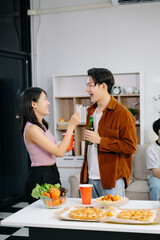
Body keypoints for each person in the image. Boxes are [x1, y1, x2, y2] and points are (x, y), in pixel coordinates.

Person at [80, 68, 137, 198]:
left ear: (103, 86)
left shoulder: (122, 114)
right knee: (91, 217)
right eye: (87, 85)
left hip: (112, 181)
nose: (87, 90)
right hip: (90, 178)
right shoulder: (90, 111)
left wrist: (101, 141)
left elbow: (130, 146)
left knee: (112, 217)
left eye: (90, 85)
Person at [19, 87, 80, 204]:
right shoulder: (32, 129)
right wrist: (71, 126)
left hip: (52, 173)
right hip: (41, 177)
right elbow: (59, 152)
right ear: (33, 104)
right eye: (45, 99)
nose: (49, 103)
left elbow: (55, 151)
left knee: (55, 213)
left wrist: (64, 144)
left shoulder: (42, 126)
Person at [146, 118, 160, 200]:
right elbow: (156, 172)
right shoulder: (151, 149)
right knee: (156, 186)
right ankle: (156, 211)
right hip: (156, 177)